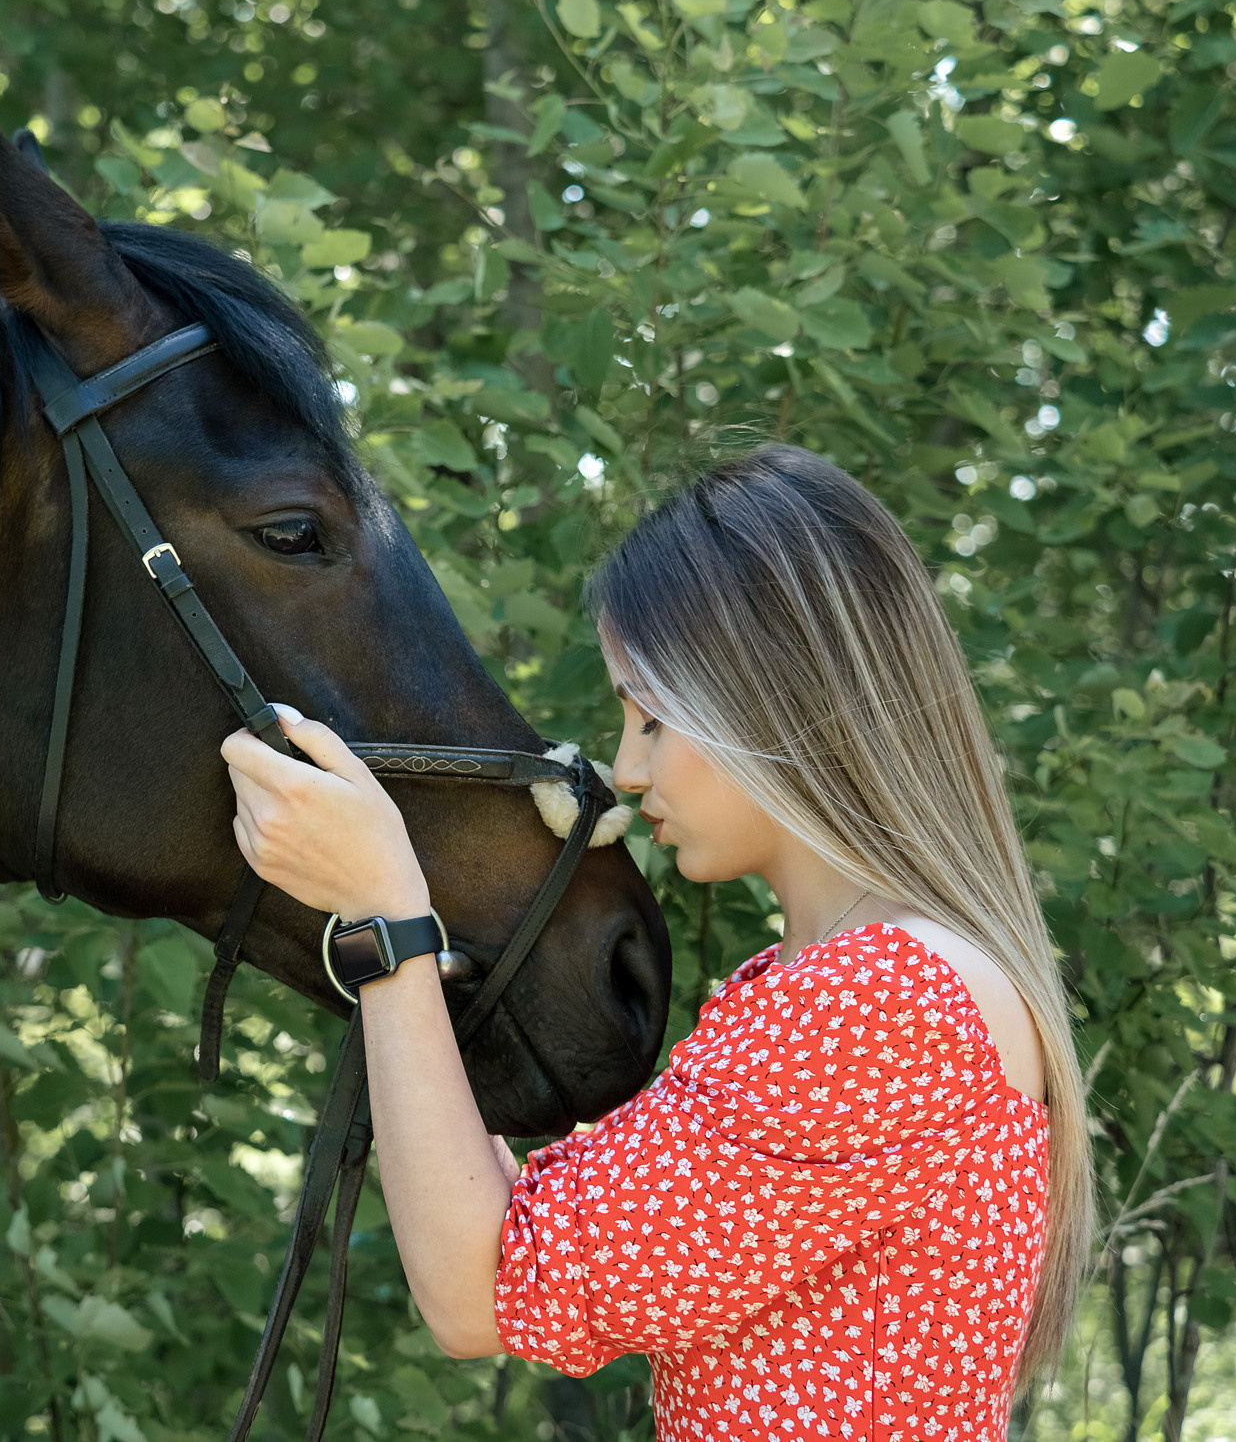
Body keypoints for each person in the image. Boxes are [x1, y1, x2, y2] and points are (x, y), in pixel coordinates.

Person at [220, 444, 1094, 1438]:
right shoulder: (847, 985)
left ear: (770, 698)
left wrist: (384, 916)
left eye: (649, 717)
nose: (627, 769)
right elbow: (520, 1230)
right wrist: (422, 903)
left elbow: (477, 1292)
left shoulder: (880, 1005)